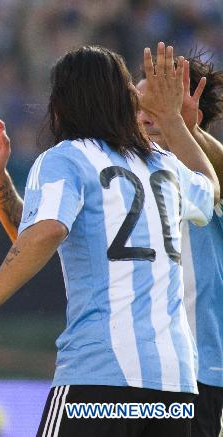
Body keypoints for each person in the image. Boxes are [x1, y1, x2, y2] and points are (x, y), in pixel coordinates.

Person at [0, 43, 219, 437]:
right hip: (175, 388)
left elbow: (46, 231)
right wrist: (177, 125)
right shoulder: (165, 165)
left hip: (101, 377)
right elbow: (210, 189)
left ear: (61, 105)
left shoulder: (67, 157)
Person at [136, 54, 223, 437]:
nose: (147, 114)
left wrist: (184, 129)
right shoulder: (115, 175)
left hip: (201, 372)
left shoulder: (203, 178)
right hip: (132, 368)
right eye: (141, 106)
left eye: (160, 106)